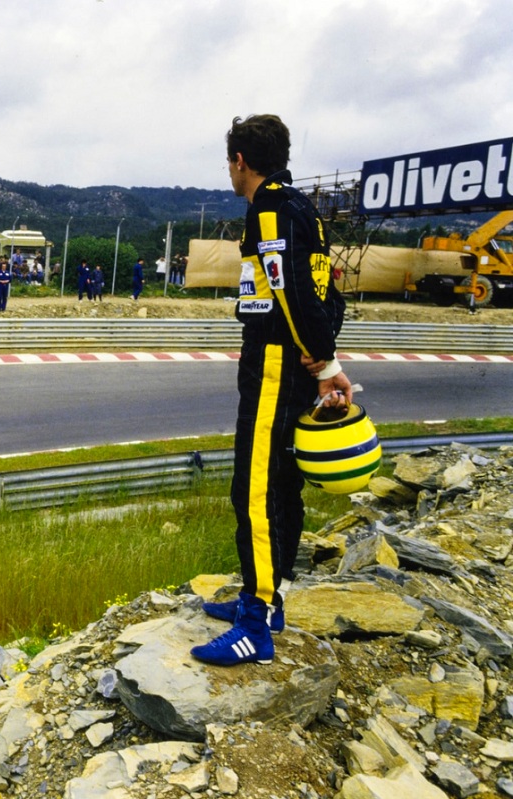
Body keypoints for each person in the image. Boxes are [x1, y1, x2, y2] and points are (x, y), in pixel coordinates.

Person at [191, 114, 353, 667]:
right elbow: (330, 290)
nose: (229, 171)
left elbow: (286, 290)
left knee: (254, 486)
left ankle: (256, 624)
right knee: (282, 479)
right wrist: (325, 353)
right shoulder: (305, 207)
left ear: (240, 161)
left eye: (229, 162)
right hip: (295, 358)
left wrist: (324, 359)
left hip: (275, 361)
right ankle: (270, 597)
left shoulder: (268, 208)